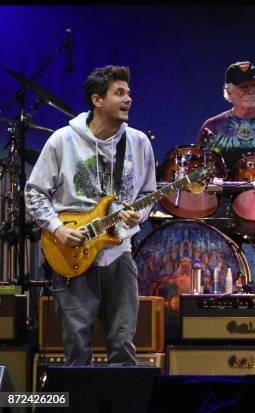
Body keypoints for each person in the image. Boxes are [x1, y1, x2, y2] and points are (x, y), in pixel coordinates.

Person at [25, 65, 157, 365]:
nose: (129, 99)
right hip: (71, 254)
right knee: (76, 350)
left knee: (123, 346)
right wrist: (57, 229)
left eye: (129, 93)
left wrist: (140, 214)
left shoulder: (138, 143)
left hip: (120, 255)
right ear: (98, 100)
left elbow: (147, 193)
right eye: (119, 93)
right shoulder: (62, 140)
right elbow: (34, 192)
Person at [195, 61, 255, 176]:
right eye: (243, 87)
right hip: (222, 193)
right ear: (229, 92)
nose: (250, 91)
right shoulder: (212, 127)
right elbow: (199, 172)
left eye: (254, 85)